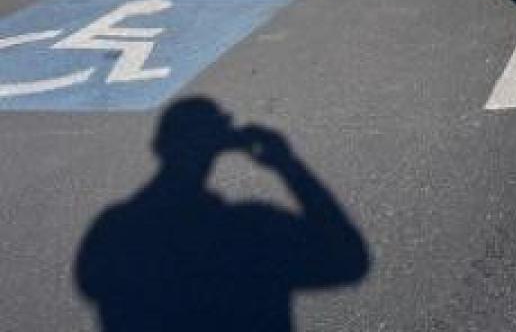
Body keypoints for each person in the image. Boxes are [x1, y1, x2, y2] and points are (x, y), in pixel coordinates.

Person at [75, 97, 370, 331]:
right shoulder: (250, 229)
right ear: (223, 143)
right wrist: (288, 166)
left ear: (159, 147)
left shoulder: (112, 231)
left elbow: (90, 285)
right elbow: (349, 259)